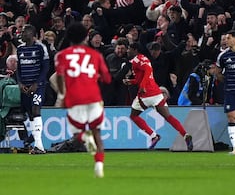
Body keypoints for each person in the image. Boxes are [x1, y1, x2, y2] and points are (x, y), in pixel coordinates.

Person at [54, 22, 112, 178]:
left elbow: (59, 77)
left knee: (78, 134)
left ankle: (87, 141)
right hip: (94, 98)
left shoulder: (61, 56)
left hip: (75, 100)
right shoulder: (96, 55)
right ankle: (99, 167)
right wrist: (96, 76)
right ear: (86, 37)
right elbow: (107, 79)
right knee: (97, 133)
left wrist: (61, 95)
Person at [123, 42, 193, 151]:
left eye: (129, 49)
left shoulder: (136, 60)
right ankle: (185, 134)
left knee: (133, 116)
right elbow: (141, 76)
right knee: (168, 117)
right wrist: (131, 81)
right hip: (156, 93)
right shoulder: (143, 58)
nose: (127, 51)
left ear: (135, 50)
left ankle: (153, 136)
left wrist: (142, 86)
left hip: (145, 95)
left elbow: (148, 70)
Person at [16, 24, 49, 154]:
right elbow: (18, 68)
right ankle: (32, 143)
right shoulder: (19, 49)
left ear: (31, 34)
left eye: (24, 32)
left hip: (38, 86)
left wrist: (37, 83)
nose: (22, 34)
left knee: (36, 110)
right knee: (30, 115)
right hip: (24, 87)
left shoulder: (41, 47)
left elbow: (46, 67)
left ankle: (39, 146)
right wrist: (19, 83)